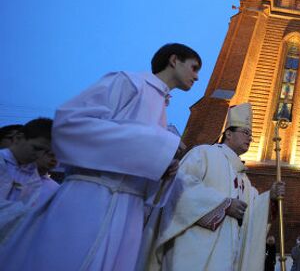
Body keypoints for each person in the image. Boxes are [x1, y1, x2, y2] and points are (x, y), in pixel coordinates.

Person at [0, 43, 201, 270]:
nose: (196, 77)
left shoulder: (162, 108)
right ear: (174, 60)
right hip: (92, 198)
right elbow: (70, 124)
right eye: (194, 68)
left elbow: (139, 155)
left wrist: (164, 167)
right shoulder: (129, 82)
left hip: (128, 211)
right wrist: (160, 144)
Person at [148, 102, 285, 271]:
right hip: (195, 251)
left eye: (251, 135)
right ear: (228, 133)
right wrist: (225, 205)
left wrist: (269, 197)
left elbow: (253, 213)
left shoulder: (244, 179)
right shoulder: (204, 153)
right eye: (245, 133)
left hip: (226, 255)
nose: (250, 138)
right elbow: (181, 187)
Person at [0, 118, 52, 239]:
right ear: (18, 138)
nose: (39, 155)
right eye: (36, 148)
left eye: (46, 152)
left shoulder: (33, 176)